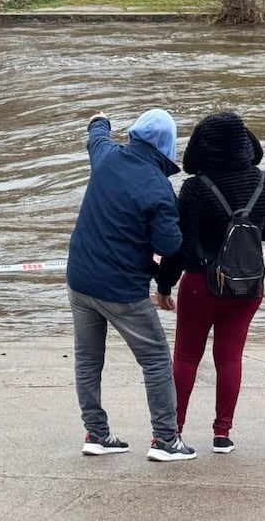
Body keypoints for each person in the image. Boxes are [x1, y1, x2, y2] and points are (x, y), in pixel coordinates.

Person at [67, 108, 196, 462]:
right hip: (121, 288)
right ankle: (166, 440)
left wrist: (99, 119)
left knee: (88, 359)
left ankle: (96, 433)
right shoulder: (158, 187)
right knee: (155, 360)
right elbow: (170, 245)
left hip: (79, 279)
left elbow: (97, 136)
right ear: (168, 145)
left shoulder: (107, 156)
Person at [155, 112, 265, 455]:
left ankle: (171, 433)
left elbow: (181, 246)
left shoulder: (196, 187)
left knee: (185, 357)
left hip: (201, 285)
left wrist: (164, 286)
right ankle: (222, 434)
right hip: (249, 285)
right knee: (230, 358)